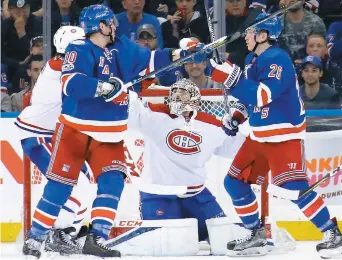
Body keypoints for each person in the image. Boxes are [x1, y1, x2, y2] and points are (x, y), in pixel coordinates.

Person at [22, 4, 208, 259]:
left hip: (110, 133)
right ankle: (36, 237)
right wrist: (102, 87)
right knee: (60, 187)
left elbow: (151, 59)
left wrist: (179, 53)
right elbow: (72, 83)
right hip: (76, 129)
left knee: (113, 182)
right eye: (110, 22)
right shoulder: (79, 49)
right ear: (100, 25)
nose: (115, 25)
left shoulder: (122, 46)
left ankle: (96, 237)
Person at [209, 13, 342, 258]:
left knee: (294, 188)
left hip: (283, 136)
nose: (246, 37)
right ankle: (256, 234)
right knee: (234, 182)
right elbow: (249, 100)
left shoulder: (277, 58)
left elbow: (263, 96)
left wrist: (231, 77)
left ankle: (332, 234)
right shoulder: (254, 59)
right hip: (260, 135)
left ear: (263, 35)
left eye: (251, 32)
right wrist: (237, 117)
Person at [127, 78, 245, 243]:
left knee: (223, 239)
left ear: (195, 99)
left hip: (196, 195)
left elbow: (239, 147)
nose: (177, 98)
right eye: (174, 94)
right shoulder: (152, 115)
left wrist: (248, 126)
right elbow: (130, 109)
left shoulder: (212, 124)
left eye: (183, 94)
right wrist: (123, 90)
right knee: (171, 246)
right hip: (158, 194)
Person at [15, 26, 90, 255]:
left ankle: (64, 231)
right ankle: (52, 233)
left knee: (84, 182)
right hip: (38, 134)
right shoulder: (60, 67)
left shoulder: (67, 66)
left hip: (52, 135)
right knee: (73, 183)